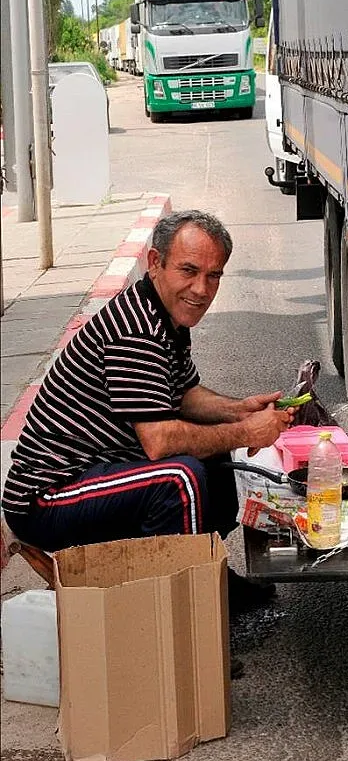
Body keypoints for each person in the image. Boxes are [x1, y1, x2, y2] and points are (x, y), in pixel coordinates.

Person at [2, 210, 295, 615]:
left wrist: (237, 412)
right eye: (189, 271)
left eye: (213, 276)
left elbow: (184, 394)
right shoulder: (134, 329)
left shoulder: (164, 312)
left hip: (98, 472)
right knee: (179, 477)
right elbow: (159, 442)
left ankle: (210, 576)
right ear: (155, 263)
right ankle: (187, 622)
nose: (201, 289)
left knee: (213, 446)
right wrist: (248, 433)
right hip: (47, 498)